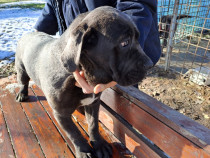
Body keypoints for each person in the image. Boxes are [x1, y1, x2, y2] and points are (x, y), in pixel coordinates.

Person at [34, 0, 161, 94]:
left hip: (115, 65)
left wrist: (125, 43)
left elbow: (136, 5)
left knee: (121, 111)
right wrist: (35, 37)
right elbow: (53, 6)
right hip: (78, 62)